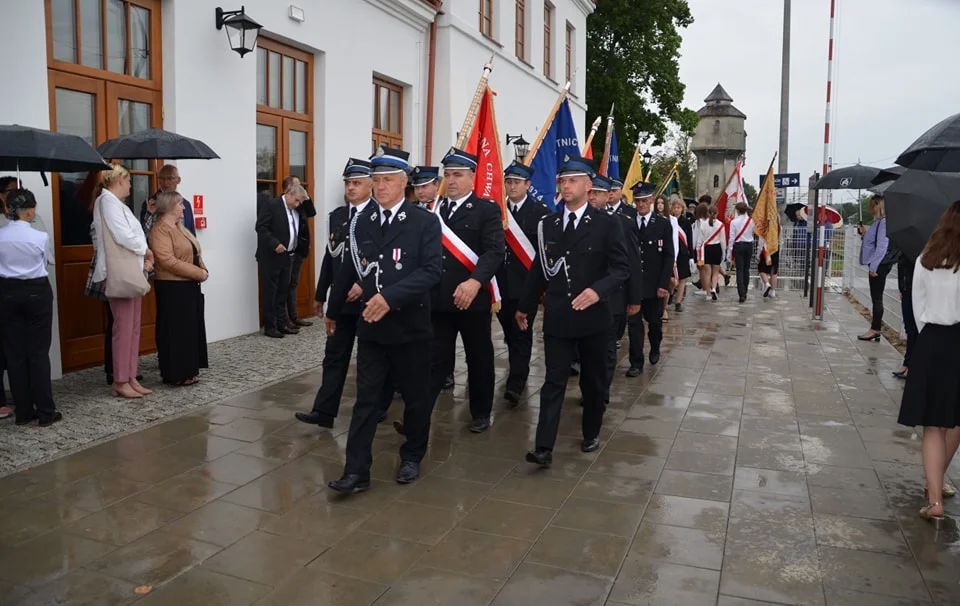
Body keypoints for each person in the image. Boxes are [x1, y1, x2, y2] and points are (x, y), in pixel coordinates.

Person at [325, 146, 442, 492]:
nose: (380, 187)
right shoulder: (362, 222)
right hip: (373, 329)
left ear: (404, 182)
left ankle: (411, 456)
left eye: (387, 180)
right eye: (375, 180)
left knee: (417, 398)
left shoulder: (424, 221)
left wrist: (390, 297)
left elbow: (432, 271)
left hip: (410, 328)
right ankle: (356, 470)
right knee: (366, 400)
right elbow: (348, 267)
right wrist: (332, 311)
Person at [517, 155, 633, 467]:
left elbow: (621, 268)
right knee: (553, 381)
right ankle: (543, 447)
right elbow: (539, 270)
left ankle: (592, 430)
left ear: (587, 184)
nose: (565, 186)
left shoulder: (607, 224)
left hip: (594, 319)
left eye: (572, 181)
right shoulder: (548, 225)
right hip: (557, 316)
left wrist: (597, 291)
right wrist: (524, 307)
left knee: (592, 381)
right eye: (562, 181)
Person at [295, 158, 390, 427]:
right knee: (335, 354)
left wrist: (366, 283)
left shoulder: (379, 214)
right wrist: (320, 293)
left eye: (356, 183)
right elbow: (331, 256)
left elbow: (382, 257)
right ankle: (324, 411)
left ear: (370, 185)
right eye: (348, 183)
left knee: (373, 359)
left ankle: (378, 406)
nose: (350, 187)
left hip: (371, 300)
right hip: (341, 300)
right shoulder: (337, 216)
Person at [427, 147, 505, 433]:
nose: (452, 180)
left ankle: (481, 412)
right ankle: (421, 414)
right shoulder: (434, 211)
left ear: (472, 177)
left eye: (458, 175)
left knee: (479, 358)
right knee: (436, 360)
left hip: (473, 300)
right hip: (438, 299)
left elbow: (495, 252)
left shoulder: (486, 210)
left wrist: (474, 282)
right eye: (447, 175)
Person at [897, 200, 960, 522]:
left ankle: (934, 497)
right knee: (955, 421)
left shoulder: (926, 259)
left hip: (933, 341)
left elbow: (917, 306)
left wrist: (930, 335)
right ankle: (937, 479)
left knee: (933, 424)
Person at [92, 165, 154, 399]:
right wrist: (145, 249)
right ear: (119, 179)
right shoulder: (106, 201)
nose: (130, 185)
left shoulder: (116, 203)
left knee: (133, 327)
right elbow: (123, 235)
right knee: (123, 328)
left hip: (130, 271)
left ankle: (130, 376)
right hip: (120, 272)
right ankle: (120, 379)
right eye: (128, 180)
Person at [0, 189, 60, 427]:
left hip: (7, 291)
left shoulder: (1, 235)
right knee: (37, 352)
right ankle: (45, 410)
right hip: (36, 291)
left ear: (8, 210)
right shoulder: (39, 237)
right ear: (31, 210)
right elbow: (44, 260)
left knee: (14, 352)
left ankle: (24, 412)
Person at [496, 160, 550, 404]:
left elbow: (543, 252)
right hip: (500, 284)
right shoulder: (497, 210)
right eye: (508, 181)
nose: (512, 186)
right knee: (509, 332)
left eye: (517, 182)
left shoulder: (540, 213)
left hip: (526, 285)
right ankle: (516, 367)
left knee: (521, 334)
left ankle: (516, 383)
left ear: (528, 185)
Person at [588, 175, 641, 406]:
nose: (592, 198)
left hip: (613, 296)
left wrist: (634, 297)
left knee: (607, 348)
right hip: (584, 298)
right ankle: (590, 388)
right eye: (590, 193)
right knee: (587, 349)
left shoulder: (622, 222)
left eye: (597, 194)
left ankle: (602, 391)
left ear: (607, 195)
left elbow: (632, 264)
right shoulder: (573, 221)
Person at [150, 191, 209, 386]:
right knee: (175, 331)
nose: (183, 208)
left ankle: (189, 370)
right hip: (171, 287)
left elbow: (193, 250)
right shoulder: (160, 230)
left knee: (189, 330)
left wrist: (202, 267)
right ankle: (175, 373)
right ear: (169, 207)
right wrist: (197, 272)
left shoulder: (179, 228)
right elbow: (167, 260)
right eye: (180, 204)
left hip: (187, 286)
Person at [410, 165, 453, 390]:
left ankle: (445, 372)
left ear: (437, 185)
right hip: (417, 282)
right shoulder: (409, 211)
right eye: (417, 187)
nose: (421, 191)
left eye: (425, 186)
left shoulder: (445, 210)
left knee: (443, 334)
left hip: (442, 279)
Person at [625, 183, 674, 377]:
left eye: (644, 201)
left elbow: (669, 256)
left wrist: (664, 284)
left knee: (654, 322)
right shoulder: (628, 222)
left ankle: (655, 346)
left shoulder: (662, 224)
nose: (641, 205)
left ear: (652, 201)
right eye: (637, 201)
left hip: (654, 285)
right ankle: (636, 362)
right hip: (634, 284)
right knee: (634, 324)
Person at [255, 184, 308, 338]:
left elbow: (310, 213)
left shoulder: (296, 209)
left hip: (288, 256)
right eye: (297, 201)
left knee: (283, 292)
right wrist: (275, 243)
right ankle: (270, 327)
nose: (297, 205)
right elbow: (261, 227)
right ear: (289, 194)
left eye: (300, 202)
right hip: (271, 256)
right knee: (271, 293)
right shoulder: (272, 205)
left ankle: (282, 323)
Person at [281, 175, 317, 329]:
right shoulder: (280, 204)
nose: (300, 188)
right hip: (284, 251)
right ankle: (284, 319)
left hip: (298, 249)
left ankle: (294, 317)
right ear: (288, 189)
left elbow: (312, 212)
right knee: (284, 285)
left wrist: (306, 196)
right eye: (297, 186)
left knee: (293, 283)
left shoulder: (300, 204)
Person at [857, 195, 891, 341]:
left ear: (878, 205)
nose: (870, 209)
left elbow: (882, 246)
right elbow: (873, 242)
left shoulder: (883, 223)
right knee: (876, 297)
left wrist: (874, 267)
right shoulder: (878, 223)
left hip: (879, 265)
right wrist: (864, 234)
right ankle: (875, 328)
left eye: (872, 205)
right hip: (877, 264)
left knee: (877, 298)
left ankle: (875, 329)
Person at [140, 164, 196, 240]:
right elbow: (143, 232)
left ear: (178, 180)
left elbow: (191, 233)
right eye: (162, 178)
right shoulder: (151, 203)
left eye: (170, 178)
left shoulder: (186, 204)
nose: (166, 182)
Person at [693, 202, 726, 301]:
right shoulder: (720, 225)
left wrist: (698, 249)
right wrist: (724, 252)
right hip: (717, 248)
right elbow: (723, 241)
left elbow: (700, 239)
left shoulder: (703, 224)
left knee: (707, 273)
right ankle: (714, 289)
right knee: (715, 272)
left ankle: (708, 294)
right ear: (717, 213)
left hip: (706, 249)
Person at [894, 248, 918, 380]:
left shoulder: (918, 250)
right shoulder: (906, 247)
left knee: (913, 329)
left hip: (913, 290)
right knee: (910, 328)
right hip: (906, 289)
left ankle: (910, 365)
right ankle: (907, 363)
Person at [727, 201, 754, 303]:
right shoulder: (751, 221)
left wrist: (729, 252)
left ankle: (741, 293)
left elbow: (731, 238)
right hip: (749, 244)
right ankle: (745, 291)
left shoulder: (734, 222)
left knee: (739, 270)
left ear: (737, 211)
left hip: (738, 245)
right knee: (746, 269)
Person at [670, 198, 693, 312]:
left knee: (683, 279)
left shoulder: (686, 222)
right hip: (673, 253)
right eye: (675, 207)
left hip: (683, 253)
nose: (676, 210)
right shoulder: (669, 220)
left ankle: (678, 302)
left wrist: (692, 256)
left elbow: (690, 238)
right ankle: (670, 294)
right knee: (672, 279)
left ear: (682, 209)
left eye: (679, 208)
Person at [757, 235, 780, 299]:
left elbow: (761, 241)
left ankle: (767, 284)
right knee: (774, 271)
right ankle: (773, 292)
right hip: (775, 248)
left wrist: (758, 254)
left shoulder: (763, 226)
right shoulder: (778, 226)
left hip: (765, 249)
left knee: (761, 269)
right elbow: (781, 239)